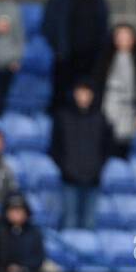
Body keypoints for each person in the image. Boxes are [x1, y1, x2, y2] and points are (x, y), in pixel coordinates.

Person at [42, 0, 108, 109]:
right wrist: (59, 48)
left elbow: (103, 25)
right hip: (66, 57)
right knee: (62, 96)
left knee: (87, 96)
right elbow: (48, 25)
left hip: (91, 57)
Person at [50, 83, 109, 230]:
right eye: (81, 92)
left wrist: (97, 169)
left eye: (87, 93)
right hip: (69, 178)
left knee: (89, 223)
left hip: (93, 179)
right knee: (69, 221)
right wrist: (66, 168)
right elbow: (55, 147)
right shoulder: (63, 117)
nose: (84, 97)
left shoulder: (100, 119)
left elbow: (106, 148)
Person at [93, 22, 136, 159]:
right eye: (120, 37)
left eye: (127, 37)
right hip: (109, 103)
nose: (123, 41)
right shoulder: (105, 57)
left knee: (123, 141)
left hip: (129, 106)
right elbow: (98, 82)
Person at [0, 192, 44, 272]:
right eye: (12, 210)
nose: (16, 214)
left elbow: (38, 258)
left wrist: (23, 269)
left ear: (26, 212)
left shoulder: (34, 232)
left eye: (19, 210)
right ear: (6, 212)